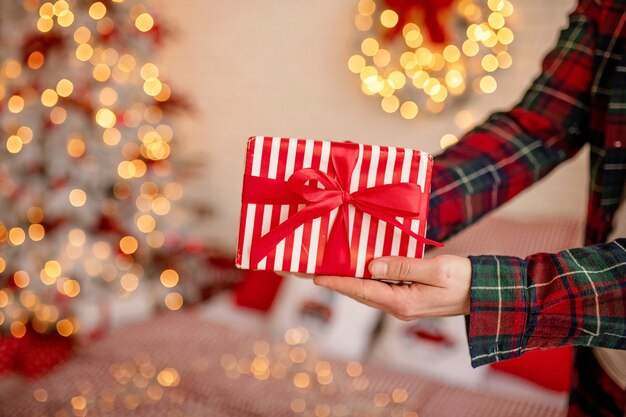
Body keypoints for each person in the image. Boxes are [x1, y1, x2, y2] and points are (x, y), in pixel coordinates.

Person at [314, 1, 626, 415]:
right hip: (601, 367)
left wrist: (493, 289)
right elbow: (536, 128)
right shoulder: (609, 8)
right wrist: (394, 213)